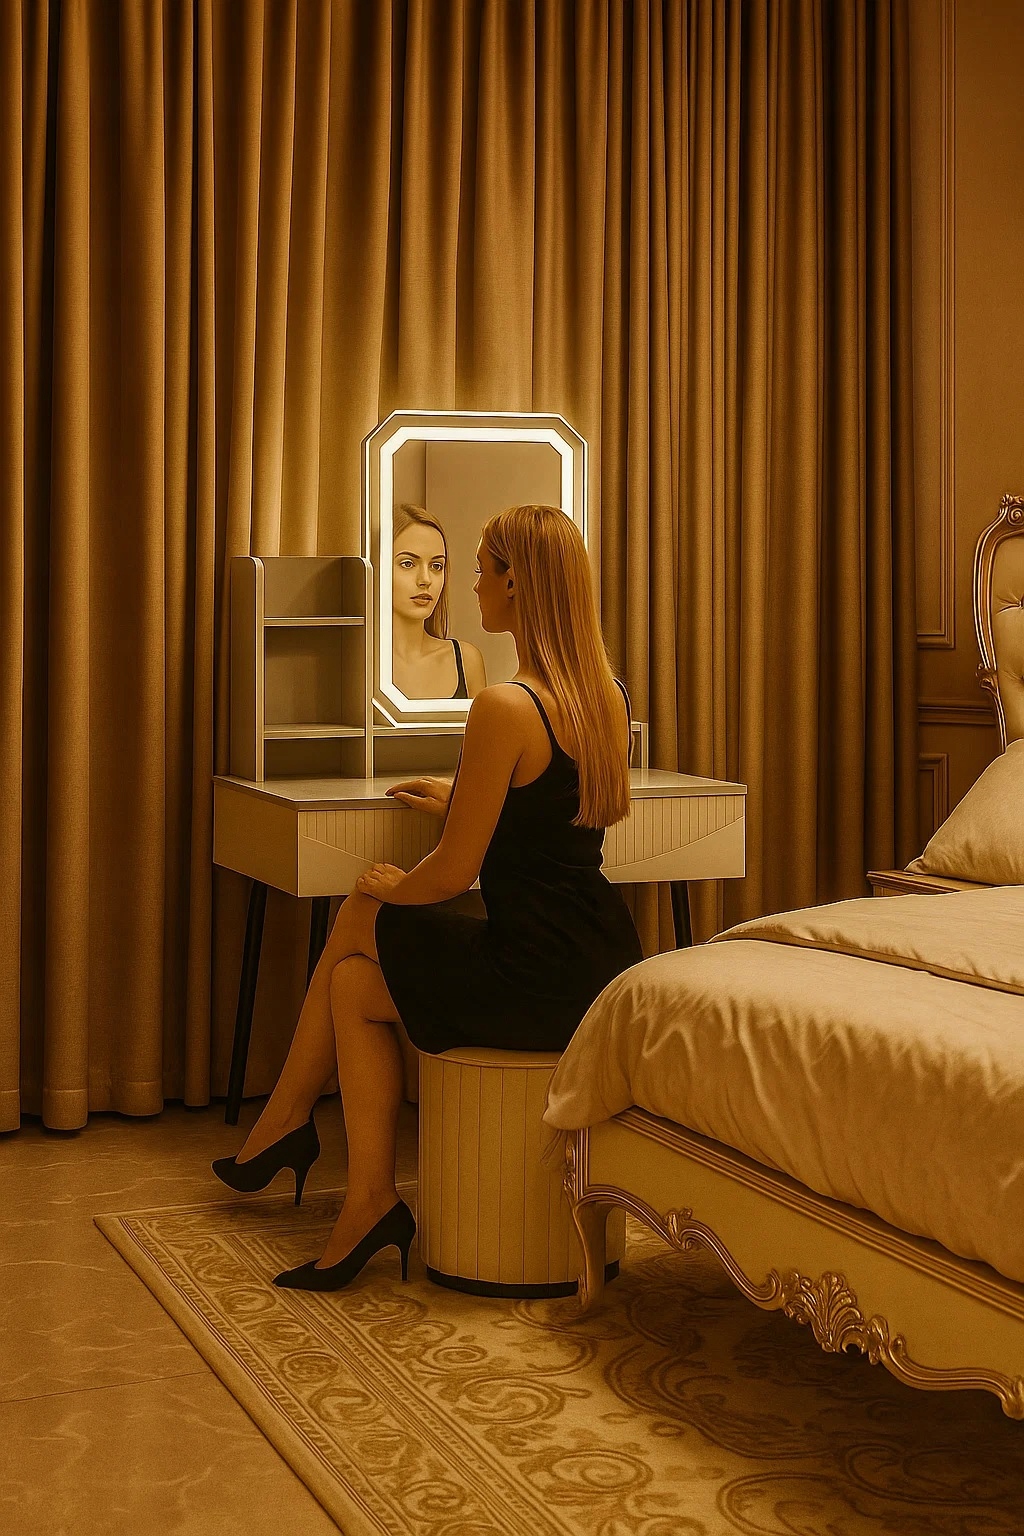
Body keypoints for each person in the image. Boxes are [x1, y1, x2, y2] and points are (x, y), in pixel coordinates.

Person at [212, 504, 643, 1292]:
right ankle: (364, 1199)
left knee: (362, 909)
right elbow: (550, 816)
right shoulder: (604, 695)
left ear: (515, 583)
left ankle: (286, 1123)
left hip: (534, 971)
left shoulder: (505, 705)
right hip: (596, 955)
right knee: (353, 985)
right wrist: (465, 797)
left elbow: (449, 875)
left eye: (478, 568)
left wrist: (394, 886)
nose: (469, 585)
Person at [391, 503, 486, 699]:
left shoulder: (467, 661)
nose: (425, 579)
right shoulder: (356, 662)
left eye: (436, 566)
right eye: (408, 564)